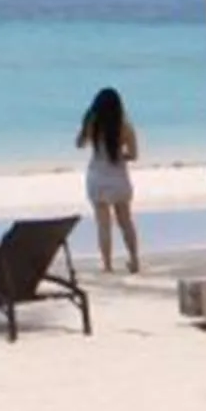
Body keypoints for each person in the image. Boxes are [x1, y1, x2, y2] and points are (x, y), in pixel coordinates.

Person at [78, 86, 142, 275]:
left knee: (103, 224)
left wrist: (86, 123)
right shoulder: (125, 126)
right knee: (125, 222)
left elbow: (79, 144)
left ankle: (107, 265)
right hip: (118, 177)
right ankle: (134, 259)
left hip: (97, 176)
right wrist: (120, 155)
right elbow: (134, 155)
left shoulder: (93, 124)